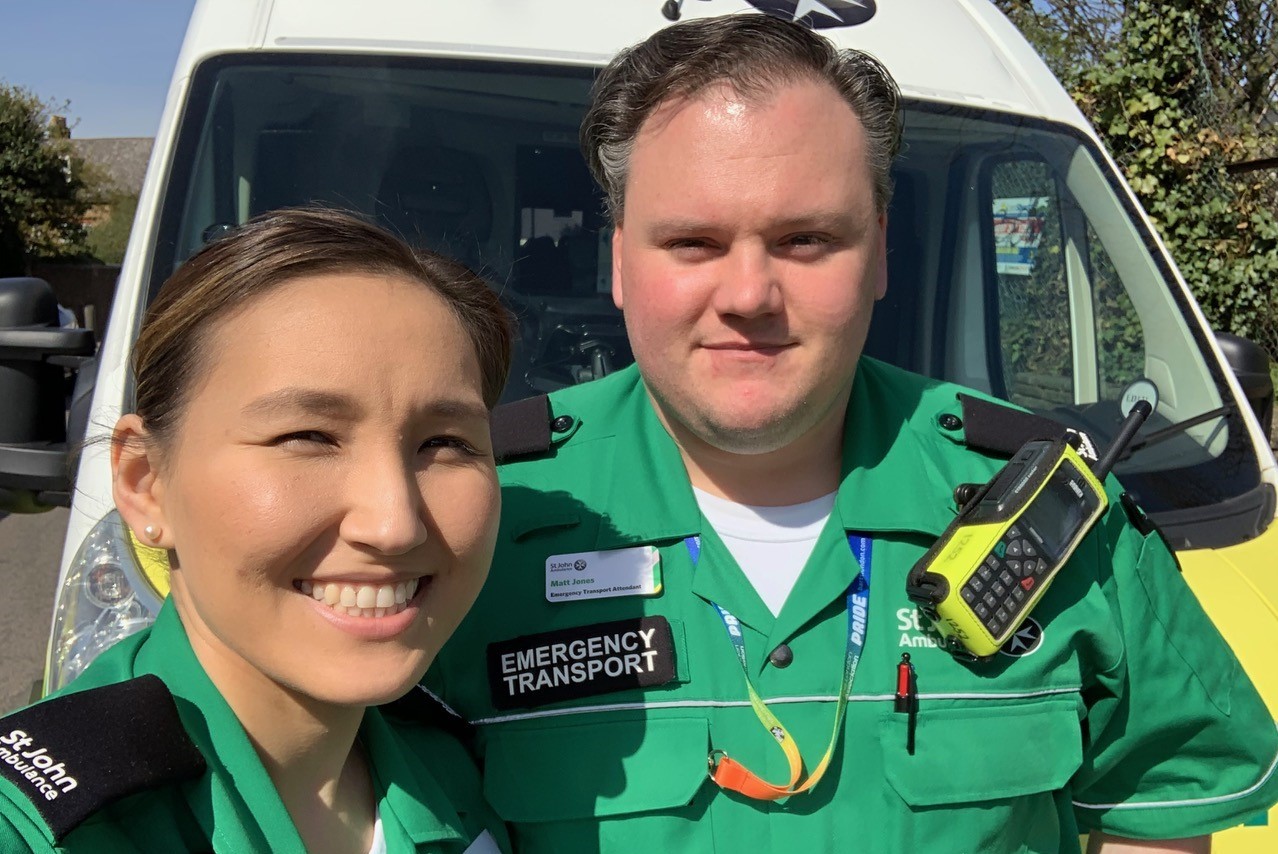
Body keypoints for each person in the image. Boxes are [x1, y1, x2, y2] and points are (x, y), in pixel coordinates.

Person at [424, 13, 1278, 854]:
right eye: (692, 241)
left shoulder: (1054, 508)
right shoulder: (468, 516)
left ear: (877, 255)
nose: (749, 294)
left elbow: (1156, 806)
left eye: (805, 240)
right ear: (618, 262)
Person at [0, 208, 513, 853]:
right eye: (306, 437)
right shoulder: (39, 830)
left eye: (444, 443)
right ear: (145, 483)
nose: (395, 524)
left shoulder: (461, 773)